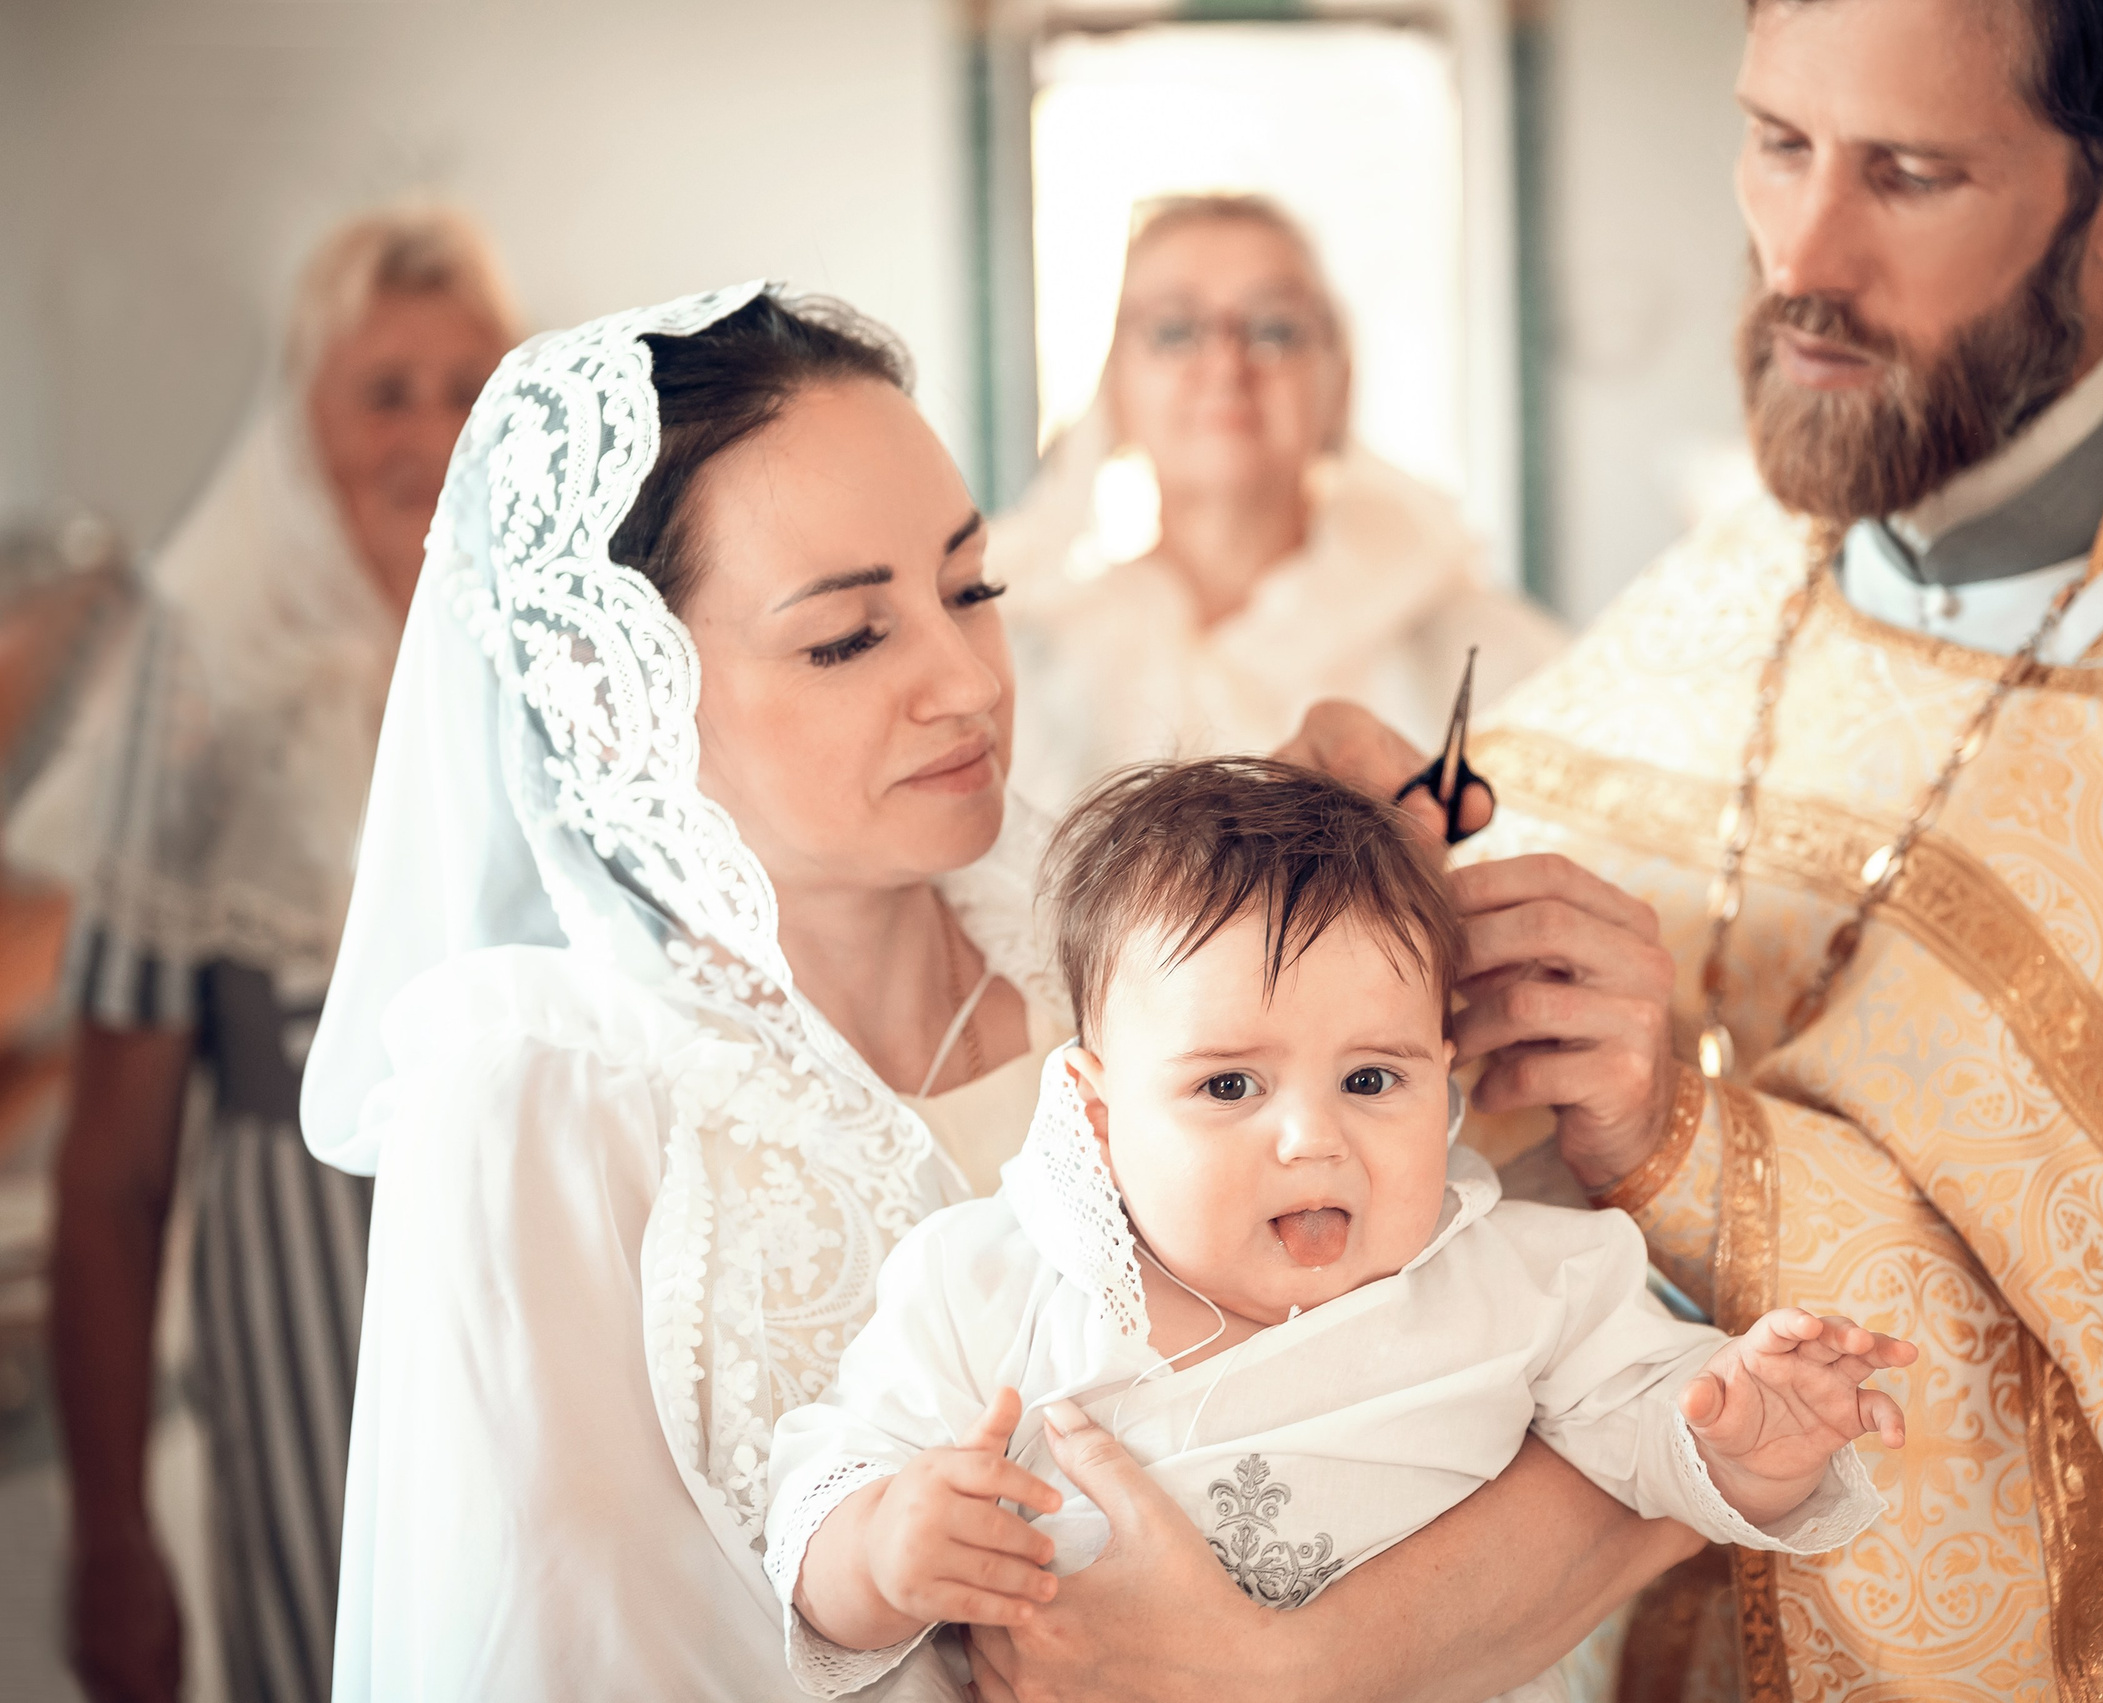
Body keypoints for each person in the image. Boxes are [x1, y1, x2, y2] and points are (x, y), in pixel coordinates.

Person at [1288, 0, 2103, 1694]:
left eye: (1913, 173)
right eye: (1778, 141)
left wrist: (1684, 1139)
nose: (1799, 251)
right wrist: (1356, 888)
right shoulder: (1757, 564)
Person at [295, 284, 1704, 1703]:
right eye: (849, 637)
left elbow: (1588, 1395)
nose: (966, 681)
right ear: (619, 690)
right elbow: (548, 1651)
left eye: (972, 589)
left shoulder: (1149, 963)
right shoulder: (543, 1095)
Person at [768, 758, 1910, 1701]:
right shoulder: (988, 1285)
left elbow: (1652, 1430)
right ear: (1098, 1112)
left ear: (1447, 1084)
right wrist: (877, 1548)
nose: (1314, 1139)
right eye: (1229, 1088)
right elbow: (827, 1480)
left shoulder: (1525, 1279)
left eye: (1372, 1076)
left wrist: (1743, 1437)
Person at [11, 206, 517, 1703]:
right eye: (384, 391)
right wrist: (110, 1537)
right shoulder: (201, 672)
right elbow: (110, 1167)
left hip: (563, 1319)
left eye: (468, 384)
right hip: (321, 1347)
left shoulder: (564, 648)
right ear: (302, 423)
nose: (432, 431)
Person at [996, 195, 1563, 815]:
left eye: (1274, 328)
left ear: (1340, 383)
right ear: (1114, 391)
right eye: (1174, 331)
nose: (1224, 364)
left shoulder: (1478, 652)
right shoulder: (1032, 659)